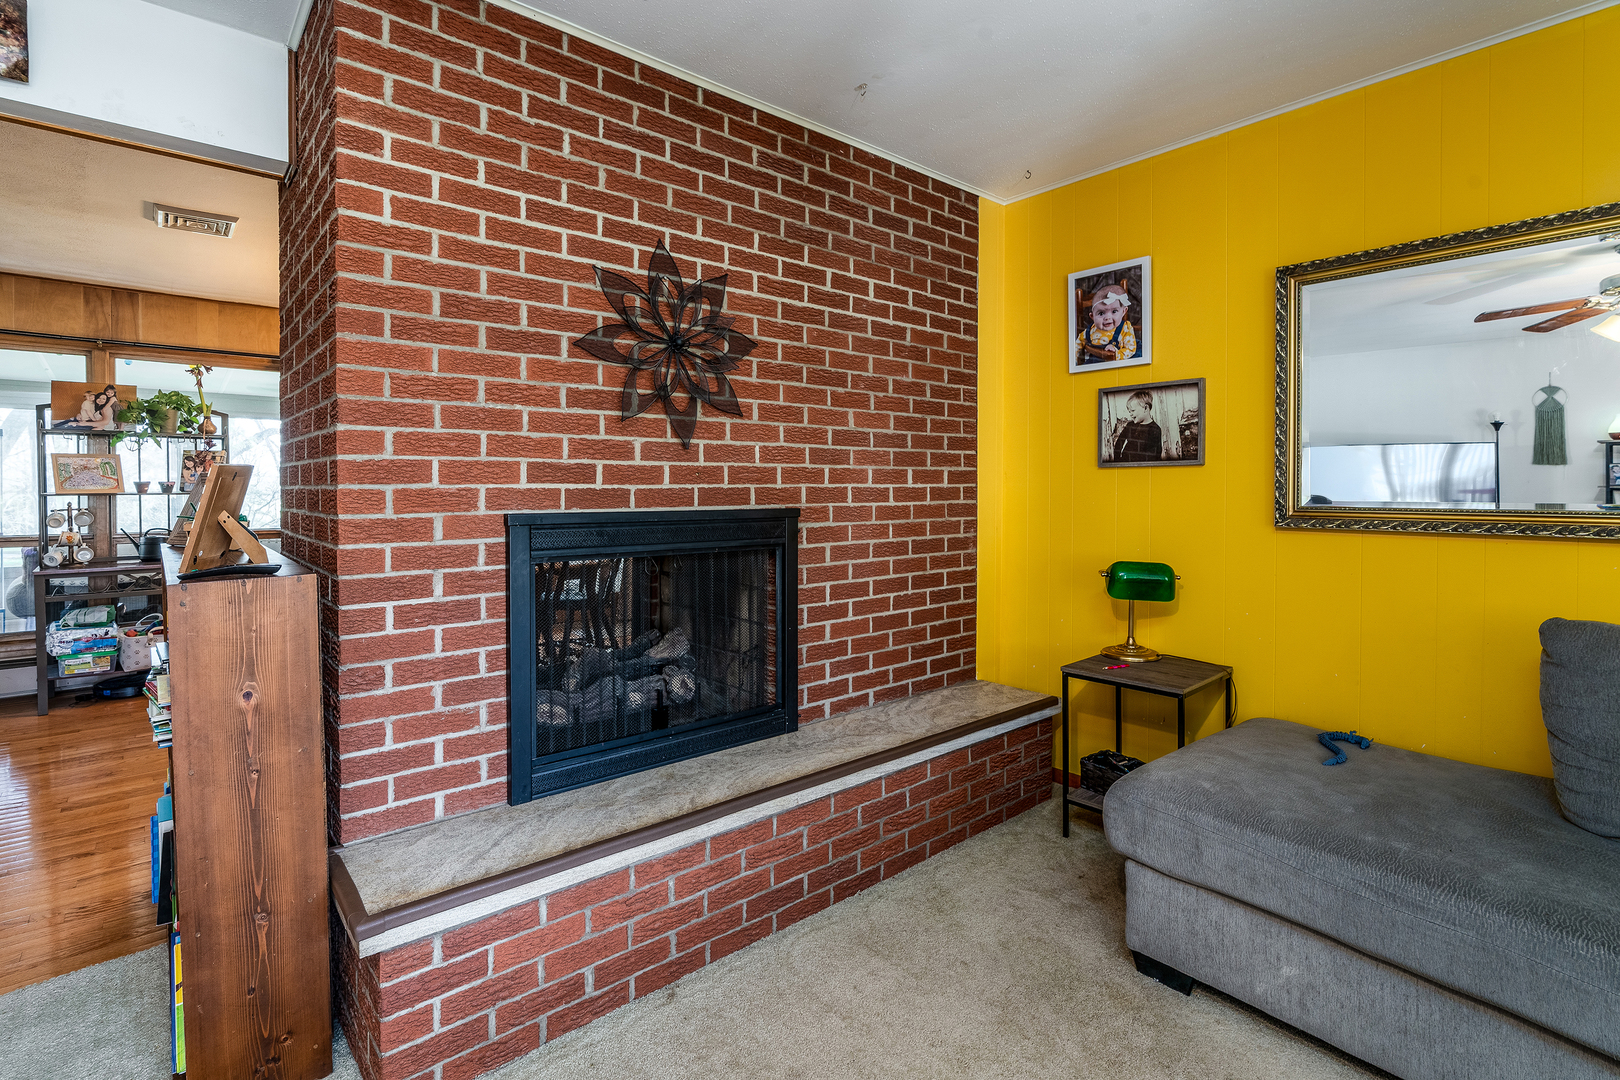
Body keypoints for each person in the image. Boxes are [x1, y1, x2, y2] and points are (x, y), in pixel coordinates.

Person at [1078, 282, 1139, 364]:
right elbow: (1077, 345)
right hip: (1094, 364)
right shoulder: (1090, 331)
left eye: (1114, 311)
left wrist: (1116, 354)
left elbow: (1131, 349)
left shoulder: (1125, 328)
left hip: (1118, 363)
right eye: (1101, 313)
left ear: (1124, 311)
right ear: (1092, 316)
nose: (1107, 318)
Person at [1112, 390, 1162, 462]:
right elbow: (1119, 443)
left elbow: (1155, 456)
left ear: (1145, 408)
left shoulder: (1154, 430)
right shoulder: (1130, 425)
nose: (1131, 414)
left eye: (1133, 410)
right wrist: (1117, 461)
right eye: (1129, 412)